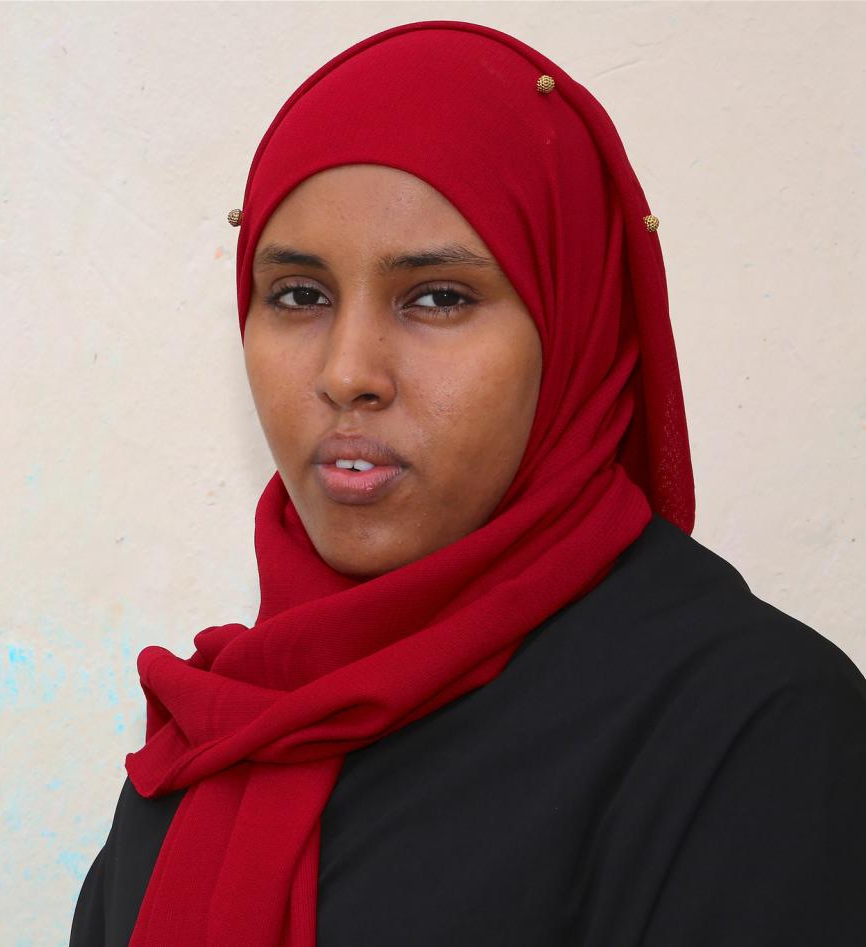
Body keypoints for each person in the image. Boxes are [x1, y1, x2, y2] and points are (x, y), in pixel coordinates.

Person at [69, 20, 866, 947]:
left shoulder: (746, 733)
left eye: (439, 297)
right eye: (298, 295)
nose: (348, 371)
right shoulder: (215, 739)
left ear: (572, 327)